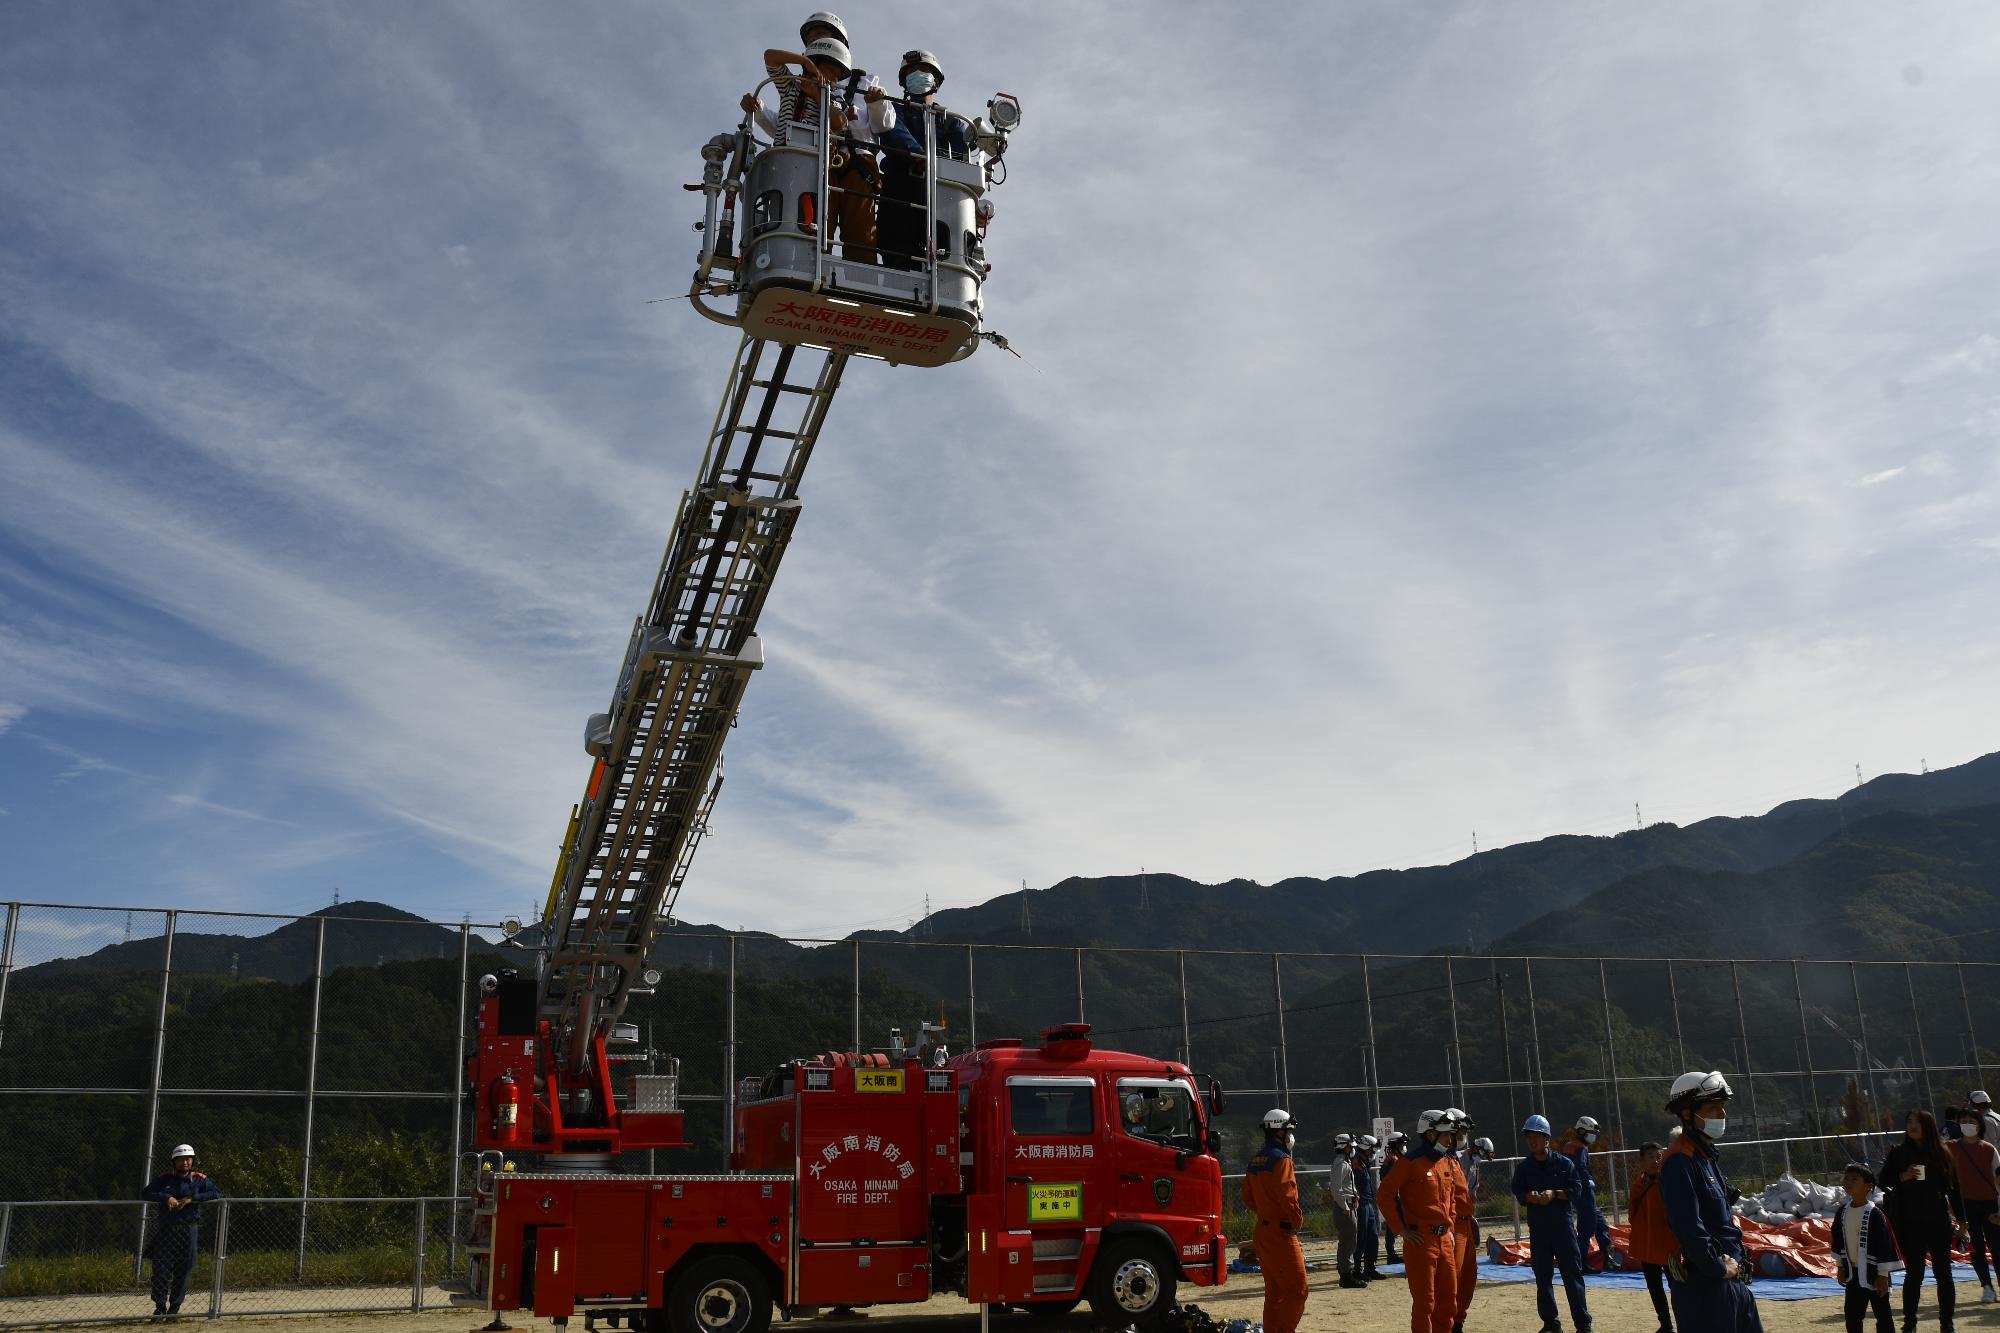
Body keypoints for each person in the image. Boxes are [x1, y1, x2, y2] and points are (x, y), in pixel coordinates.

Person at [1660, 1070, 1764, 1333]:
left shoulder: (1705, 1156)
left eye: (1722, 1107)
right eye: (1714, 1108)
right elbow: (1687, 1226)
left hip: (1732, 1281)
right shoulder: (1680, 1161)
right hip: (1706, 1285)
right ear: (1687, 1113)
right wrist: (1717, 1267)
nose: (1723, 1115)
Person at [876, 49, 968, 271]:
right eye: (912, 71)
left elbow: (961, 159)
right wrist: (919, 156)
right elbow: (892, 132)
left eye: (924, 70)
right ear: (904, 81)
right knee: (896, 247)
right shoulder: (892, 110)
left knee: (942, 248)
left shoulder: (951, 122)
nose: (918, 74)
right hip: (900, 189)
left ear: (936, 81)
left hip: (938, 194)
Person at [1882, 1109, 1965, 1333]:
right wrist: (1902, 1176)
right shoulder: (1898, 1153)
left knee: (1943, 1274)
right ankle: (1910, 1323)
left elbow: (1954, 1190)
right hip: (1910, 1219)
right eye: (1909, 1121)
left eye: (1917, 1122)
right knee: (1914, 1274)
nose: (1912, 1126)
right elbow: (1882, 1180)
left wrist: (1962, 1221)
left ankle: (1947, 1323)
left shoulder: (1941, 1152)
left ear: (1928, 1125)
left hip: (1938, 1218)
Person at [1389, 1109, 1468, 1333]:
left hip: (1444, 1240)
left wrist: (1450, 1228)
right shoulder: (1409, 1162)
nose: (1450, 1140)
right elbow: (1384, 1195)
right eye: (1445, 1135)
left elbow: (1451, 1198)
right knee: (1425, 1303)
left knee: (1448, 1301)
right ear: (1431, 1134)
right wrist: (1400, 1229)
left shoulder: (1445, 1162)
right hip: (1420, 1242)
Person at [1512, 1114, 1592, 1333]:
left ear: (1547, 1139)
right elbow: (1517, 1189)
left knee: (1572, 1276)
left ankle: (1583, 1325)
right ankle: (1551, 1324)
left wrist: (1554, 1194)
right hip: (1539, 1230)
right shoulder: (1524, 1168)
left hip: (1563, 1229)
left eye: (1536, 1136)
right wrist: (1530, 1197)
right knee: (1543, 1277)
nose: (1532, 1141)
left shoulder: (1565, 1164)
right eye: (1528, 1136)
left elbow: (1576, 1190)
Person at [1245, 1109, 1309, 1333]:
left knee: (1274, 1292)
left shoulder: (1256, 1160)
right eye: (1290, 1130)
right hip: (1281, 1234)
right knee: (1298, 1290)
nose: (1291, 1135)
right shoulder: (1282, 1160)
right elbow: (1288, 1196)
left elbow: (1247, 1197)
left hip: (1263, 1232)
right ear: (1280, 1132)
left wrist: (1265, 1212)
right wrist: (1295, 1223)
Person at [142, 1142, 221, 1319]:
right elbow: (146, 1193)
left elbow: (216, 1193)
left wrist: (193, 1198)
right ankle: (160, 1306)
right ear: (174, 1161)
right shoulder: (164, 1179)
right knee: (161, 1270)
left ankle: (174, 1308)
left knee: (183, 1271)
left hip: (188, 1231)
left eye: (188, 1159)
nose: (185, 1162)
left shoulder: (200, 1179)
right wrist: (166, 1197)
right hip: (166, 1231)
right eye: (181, 1159)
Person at [1833, 1163, 1903, 1333]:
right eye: (1846, 1178)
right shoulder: (1842, 1211)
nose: (1848, 1182)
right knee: (1852, 1315)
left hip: (1875, 1272)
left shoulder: (1875, 1214)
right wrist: (1840, 1266)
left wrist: (1883, 1275)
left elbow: (1885, 1243)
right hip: (1852, 1273)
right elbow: (1837, 1239)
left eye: (1855, 1179)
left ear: (1868, 1186)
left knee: (1882, 1314)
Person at [1947, 1109, 2000, 1302]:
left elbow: (1998, 1178)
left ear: (1980, 1125)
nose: (1968, 1124)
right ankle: (1986, 1286)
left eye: (1972, 1121)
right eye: (1964, 1121)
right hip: (1965, 1205)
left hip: (1990, 1203)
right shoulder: (1951, 1148)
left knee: (1997, 1246)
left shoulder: (1988, 1149)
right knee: (1976, 1248)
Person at [1629, 1141, 1677, 1333]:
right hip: (1647, 1247)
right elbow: (1633, 1214)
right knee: (1655, 1288)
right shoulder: (1638, 1185)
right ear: (1642, 1161)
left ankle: (1684, 1322)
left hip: (1669, 1246)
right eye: (1651, 1157)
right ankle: (1666, 1325)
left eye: (1659, 1156)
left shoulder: (1669, 1182)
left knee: (1678, 1288)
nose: (1656, 1161)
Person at [1446, 1113, 1483, 1333]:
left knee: (1469, 1275)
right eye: (1460, 1131)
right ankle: (1447, 1322)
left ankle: (1458, 1321)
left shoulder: (1456, 1159)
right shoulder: (1442, 1160)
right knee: (1454, 1276)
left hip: (1465, 1222)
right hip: (1453, 1224)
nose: (1463, 1136)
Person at [1562, 1116, 1613, 1270]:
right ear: (1582, 1131)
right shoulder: (1579, 1148)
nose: (1593, 1136)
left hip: (1583, 1192)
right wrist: (1587, 1181)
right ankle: (1580, 1263)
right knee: (1586, 1228)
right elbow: (1580, 1168)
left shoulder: (1573, 1146)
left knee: (1601, 1224)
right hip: (1584, 1192)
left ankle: (1607, 1258)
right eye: (1591, 1132)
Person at [1329, 1132, 1366, 1288]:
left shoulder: (1345, 1162)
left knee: (1350, 1240)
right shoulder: (1341, 1164)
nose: (1353, 1149)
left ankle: (1346, 1272)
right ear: (1344, 1147)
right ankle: (1346, 1275)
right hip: (1345, 1207)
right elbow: (1336, 1188)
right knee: (1348, 1241)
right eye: (1351, 1146)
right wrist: (1344, 1206)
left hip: (1349, 1204)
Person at [1356, 1133, 1386, 1280]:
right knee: (1360, 1238)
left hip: (1368, 1204)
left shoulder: (1364, 1163)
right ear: (1365, 1148)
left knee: (1372, 1237)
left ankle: (1370, 1268)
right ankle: (1357, 1269)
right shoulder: (1356, 1164)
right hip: (1360, 1205)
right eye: (1372, 1150)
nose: (1374, 1153)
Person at [1382, 1131, 1410, 1265]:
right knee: (1399, 1224)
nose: (1404, 1147)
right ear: (1395, 1145)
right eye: (1402, 1144)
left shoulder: (1392, 1159)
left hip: (1395, 1197)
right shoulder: (1393, 1160)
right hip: (1396, 1197)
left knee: (1392, 1226)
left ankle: (1391, 1254)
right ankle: (1392, 1254)